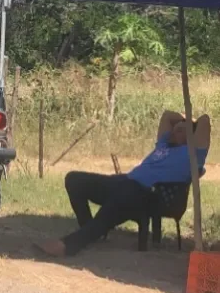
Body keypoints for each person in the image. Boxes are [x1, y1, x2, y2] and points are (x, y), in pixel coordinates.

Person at [37, 110, 211, 257]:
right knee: (74, 180)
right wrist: (184, 121)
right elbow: (167, 116)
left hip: (149, 194)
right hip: (126, 181)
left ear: (191, 137)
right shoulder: (163, 144)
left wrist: (191, 123)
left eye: (180, 131)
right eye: (175, 128)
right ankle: (91, 229)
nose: (173, 131)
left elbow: (205, 121)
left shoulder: (194, 153)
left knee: (111, 210)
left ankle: (70, 245)